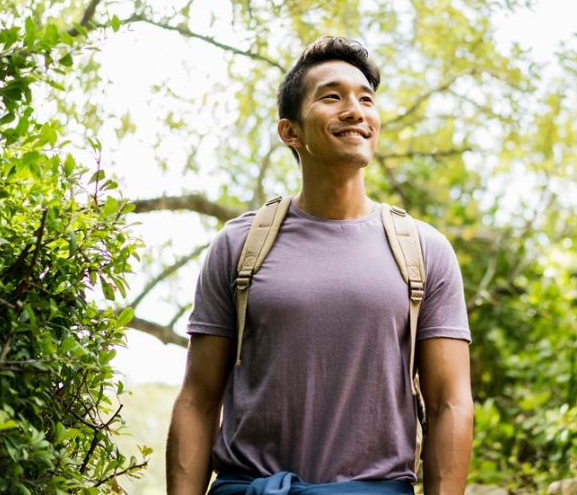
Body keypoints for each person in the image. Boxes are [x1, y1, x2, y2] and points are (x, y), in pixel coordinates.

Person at [166, 36, 473, 495]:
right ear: (290, 132)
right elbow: (197, 398)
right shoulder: (239, 245)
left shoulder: (425, 251)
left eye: (365, 100)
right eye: (332, 97)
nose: (355, 111)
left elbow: (450, 402)